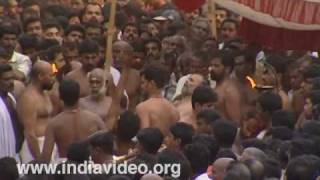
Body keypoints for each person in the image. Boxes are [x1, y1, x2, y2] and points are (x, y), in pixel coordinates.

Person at [41, 80, 105, 162]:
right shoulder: (94, 118)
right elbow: (108, 142)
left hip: (65, 167)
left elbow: (46, 157)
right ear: (79, 96)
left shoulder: (54, 124)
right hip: (89, 165)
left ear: (60, 97)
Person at [17, 60, 55, 163]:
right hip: (35, 147)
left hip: (49, 145)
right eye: (51, 76)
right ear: (40, 76)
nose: (53, 79)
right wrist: (39, 159)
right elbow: (29, 133)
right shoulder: (28, 98)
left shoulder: (45, 94)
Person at [136, 66, 180, 135]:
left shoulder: (143, 107)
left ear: (151, 84)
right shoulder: (173, 109)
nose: (141, 86)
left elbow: (144, 135)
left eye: (143, 82)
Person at [209, 50, 242, 125]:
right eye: (211, 65)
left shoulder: (230, 91)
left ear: (227, 69)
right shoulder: (217, 87)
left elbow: (236, 122)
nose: (212, 69)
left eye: (216, 66)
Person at [0, 64, 23, 159]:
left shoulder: (11, 97)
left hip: (15, 152)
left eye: (12, 78)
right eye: (6, 79)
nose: (11, 82)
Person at [112, 41, 140, 109]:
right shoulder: (106, 74)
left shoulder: (138, 76)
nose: (116, 55)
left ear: (130, 55)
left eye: (118, 52)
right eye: (114, 52)